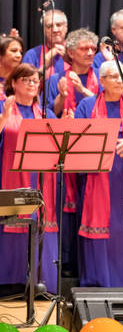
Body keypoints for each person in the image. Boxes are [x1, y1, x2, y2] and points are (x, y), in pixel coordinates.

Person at [75, 61, 123, 287]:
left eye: (122, 76)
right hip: (97, 179)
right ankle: (100, 285)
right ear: (102, 81)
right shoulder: (87, 106)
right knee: (102, 231)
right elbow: (77, 141)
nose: (120, 80)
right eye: (114, 76)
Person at [46, 28, 99, 277]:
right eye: (84, 49)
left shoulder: (102, 76)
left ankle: (85, 261)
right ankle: (65, 261)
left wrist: (85, 92)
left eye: (93, 49)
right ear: (70, 52)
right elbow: (48, 113)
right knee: (65, 205)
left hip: (93, 149)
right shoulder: (56, 77)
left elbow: (109, 106)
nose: (90, 53)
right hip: (63, 148)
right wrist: (63, 96)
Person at [0, 64, 58, 293]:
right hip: (11, 177)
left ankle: (40, 282)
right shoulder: (4, 107)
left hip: (41, 179)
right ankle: (10, 283)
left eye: (36, 80)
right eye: (26, 80)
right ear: (14, 82)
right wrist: (4, 116)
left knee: (41, 225)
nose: (33, 84)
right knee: (13, 227)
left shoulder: (44, 112)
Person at [23, 10, 69, 76]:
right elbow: (25, 83)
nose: (55, 30)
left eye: (59, 25)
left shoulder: (76, 52)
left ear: (66, 28)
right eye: (49, 26)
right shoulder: (32, 54)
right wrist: (45, 65)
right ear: (44, 30)